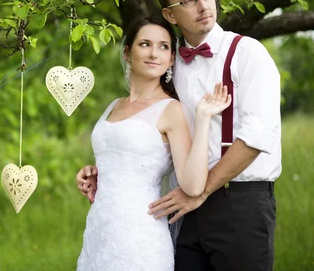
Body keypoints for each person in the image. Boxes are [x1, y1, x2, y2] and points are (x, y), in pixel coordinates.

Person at [77, 0, 281, 271]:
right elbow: (150, 135)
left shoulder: (248, 53)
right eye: (188, 0)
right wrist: (110, 171)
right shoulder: (167, 65)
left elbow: (258, 134)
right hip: (180, 210)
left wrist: (200, 192)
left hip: (239, 203)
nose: (203, 5)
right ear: (170, 15)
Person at [76, 15, 231, 271]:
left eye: (163, 47)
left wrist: (202, 119)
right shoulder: (113, 106)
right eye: (145, 44)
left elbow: (192, 186)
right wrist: (92, 173)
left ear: (171, 59)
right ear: (127, 53)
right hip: (99, 232)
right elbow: (121, 160)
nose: (154, 53)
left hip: (140, 236)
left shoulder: (171, 110)